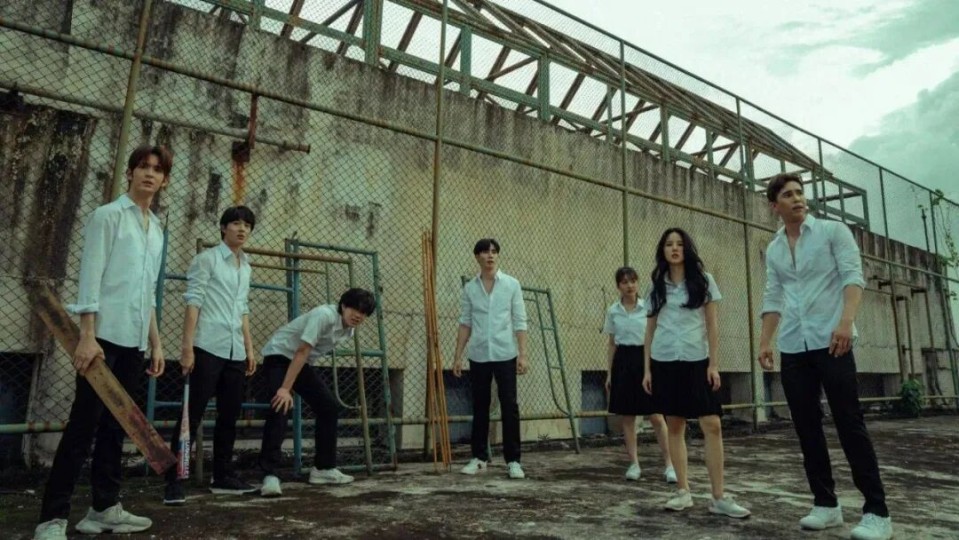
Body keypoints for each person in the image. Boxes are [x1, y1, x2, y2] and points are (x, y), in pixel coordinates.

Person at [35, 145, 172, 540]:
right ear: (129, 172)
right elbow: (90, 279)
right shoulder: (108, 216)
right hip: (102, 339)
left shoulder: (156, 228)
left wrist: (156, 343)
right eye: (142, 167)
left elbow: (147, 292)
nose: (149, 174)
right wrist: (87, 336)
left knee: (118, 427)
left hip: (134, 341)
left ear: (164, 180)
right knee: (83, 426)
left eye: (157, 169)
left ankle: (104, 509)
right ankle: (52, 519)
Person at [758, 173, 892, 540]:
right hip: (793, 345)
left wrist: (846, 323)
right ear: (774, 206)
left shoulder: (833, 232)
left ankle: (877, 512)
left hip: (834, 341)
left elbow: (853, 277)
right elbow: (773, 295)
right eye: (788, 195)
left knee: (849, 422)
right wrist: (765, 341)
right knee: (806, 427)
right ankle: (826, 505)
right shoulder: (775, 248)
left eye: (800, 192)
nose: (797, 199)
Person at [642, 228, 750, 519]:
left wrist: (713, 364)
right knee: (675, 425)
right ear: (663, 251)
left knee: (712, 423)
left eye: (679, 244)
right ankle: (683, 491)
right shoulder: (656, 286)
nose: (674, 248)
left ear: (687, 248)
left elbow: (712, 326)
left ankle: (719, 497)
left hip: (697, 360)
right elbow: (649, 330)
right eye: (669, 244)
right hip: (665, 360)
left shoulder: (704, 281)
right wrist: (647, 369)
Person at [163, 206, 259, 505]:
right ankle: (174, 481)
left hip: (235, 350)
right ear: (223, 228)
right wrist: (187, 348)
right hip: (207, 347)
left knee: (229, 416)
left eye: (247, 225)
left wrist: (249, 348)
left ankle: (223, 476)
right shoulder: (207, 260)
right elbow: (194, 302)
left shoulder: (246, 266)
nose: (242, 229)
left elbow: (242, 308)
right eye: (236, 223)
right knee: (191, 414)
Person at [257, 288, 376, 496]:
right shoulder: (323, 315)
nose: (358, 315)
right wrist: (285, 389)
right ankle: (270, 475)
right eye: (355, 309)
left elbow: (305, 356)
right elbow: (302, 350)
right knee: (280, 406)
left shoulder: (348, 329)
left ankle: (323, 469)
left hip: (299, 362)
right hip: (279, 356)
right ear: (343, 306)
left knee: (329, 407)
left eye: (364, 313)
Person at [452, 238, 528, 479]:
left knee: (509, 405)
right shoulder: (470, 288)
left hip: (505, 353)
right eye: (485, 252)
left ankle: (513, 460)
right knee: (480, 405)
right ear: (477, 257)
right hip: (479, 354)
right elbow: (465, 322)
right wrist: (457, 356)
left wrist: (523, 354)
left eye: (494, 251)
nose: (490, 256)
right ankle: (479, 457)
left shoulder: (512, 284)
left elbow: (520, 320)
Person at [603, 266, 675, 483]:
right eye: (624, 282)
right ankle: (634, 464)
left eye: (633, 281)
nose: (629, 286)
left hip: (646, 358)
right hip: (623, 362)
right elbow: (612, 344)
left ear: (637, 283)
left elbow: (656, 334)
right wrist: (609, 373)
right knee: (628, 416)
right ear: (618, 286)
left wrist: (653, 368)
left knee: (656, 415)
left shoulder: (648, 307)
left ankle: (670, 464)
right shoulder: (613, 311)